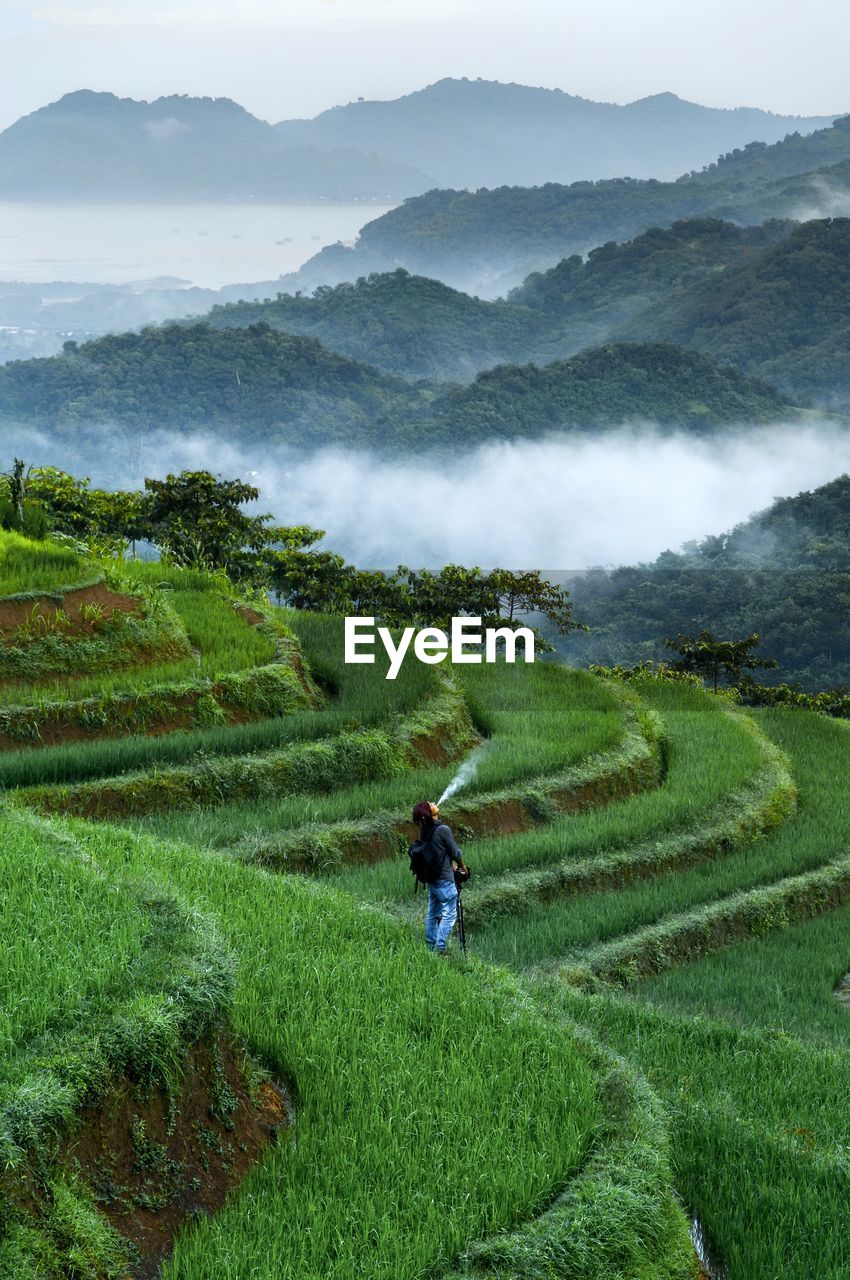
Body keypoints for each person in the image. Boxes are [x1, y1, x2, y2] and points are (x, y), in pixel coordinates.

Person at [411, 801, 468, 954]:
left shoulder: (425, 830)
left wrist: (451, 865)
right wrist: (462, 866)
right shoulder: (443, 829)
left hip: (433, 879)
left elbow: (437, 852)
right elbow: (456, 853)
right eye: (430, 804)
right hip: (444, 879)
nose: (433, 803)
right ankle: (440, 948)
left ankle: (430, 947)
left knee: (432, 913)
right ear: (430, 813)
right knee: (450, 914)